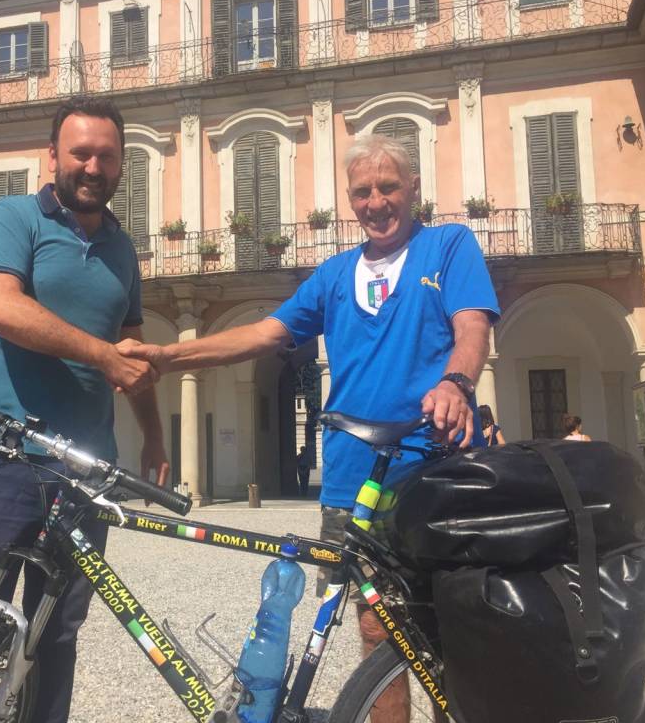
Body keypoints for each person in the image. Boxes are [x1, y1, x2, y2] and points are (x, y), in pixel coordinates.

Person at [121, 133, 500, 723]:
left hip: (438, 466)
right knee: (377, 635)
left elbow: (471, 325)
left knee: (455, 629)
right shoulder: (334, 274)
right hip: (352, 479)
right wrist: (170, 357)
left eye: (388, 187)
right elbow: (263, 335)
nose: (375, 202)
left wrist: (456, 383)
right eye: (362, 192)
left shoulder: (449, 246)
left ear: (415, 189)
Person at [0, 96, 169, 723]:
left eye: (106, 156)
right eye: (80, 152)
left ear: (121, 166)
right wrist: (102, 356)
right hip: (3, 454)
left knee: (56, 634)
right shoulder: (13, 217)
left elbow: (130, 353)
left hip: (86, 470)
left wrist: (155, 438)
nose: (93, 166)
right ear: (52, 156)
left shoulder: (122, 248)